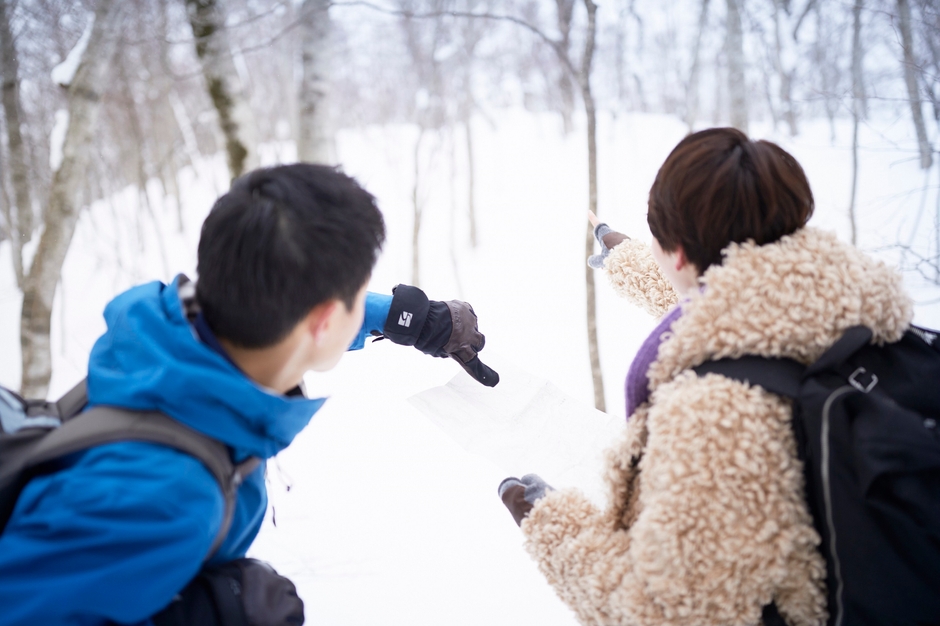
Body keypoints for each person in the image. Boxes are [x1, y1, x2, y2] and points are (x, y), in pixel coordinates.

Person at [0, 163, 497, 625]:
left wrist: (402, 317)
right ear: (325, 319)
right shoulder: (167, 499)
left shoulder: (169, 329)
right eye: (357, 293)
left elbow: (285, 304)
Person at [498, 128, 912, 626]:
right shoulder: (855, 309)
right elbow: (743, 304)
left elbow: (668, 612)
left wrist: (551, 527)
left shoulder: (716, 416)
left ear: (676, 254)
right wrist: (629, 258)